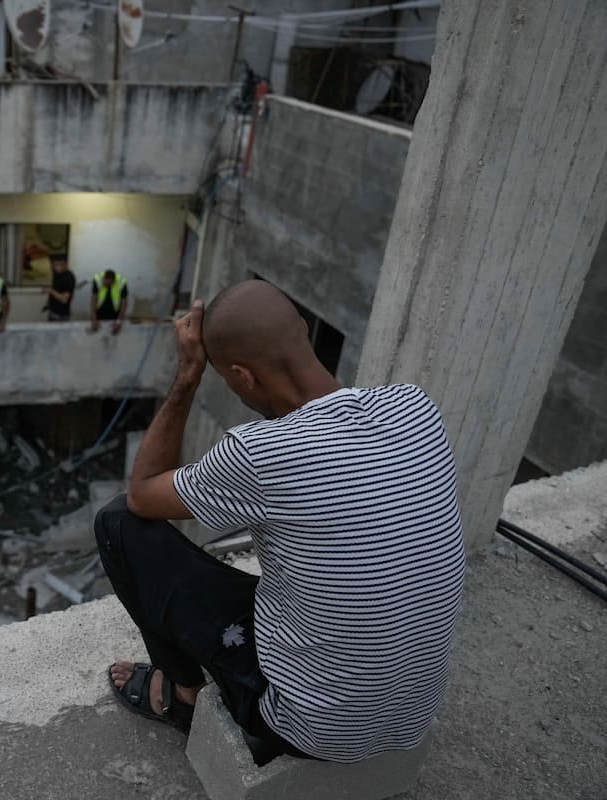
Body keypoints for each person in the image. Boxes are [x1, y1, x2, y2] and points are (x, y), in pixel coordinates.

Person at [97, 279, 466, 765]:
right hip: (410, 715)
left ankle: (183, 694)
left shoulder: (263, 452)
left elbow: (143, 495)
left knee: (118, 523)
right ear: (303, 332)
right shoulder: (415, 406)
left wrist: (188, 374)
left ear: (243, 377)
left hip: (314, 728)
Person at [90, 270, 127, 334]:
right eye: (104, 282)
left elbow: (124, 303)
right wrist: (94, 319)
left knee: (114, 337)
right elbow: (93, 300)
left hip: (114, 314)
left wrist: (118, 322)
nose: (105, 285)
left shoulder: (121, 282)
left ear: (113, 281)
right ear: (103, 278)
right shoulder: (98, 280)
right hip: (100, 313)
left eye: (108, 284)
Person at [43, 254, 75, 322]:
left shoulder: (69, 278)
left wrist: (50, 291)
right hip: (52, 314)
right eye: (55, 265)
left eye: (61, 264)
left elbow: (64, 299)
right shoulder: (56, 274)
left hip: (61, 317)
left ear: (66, 264)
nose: (58, 267)